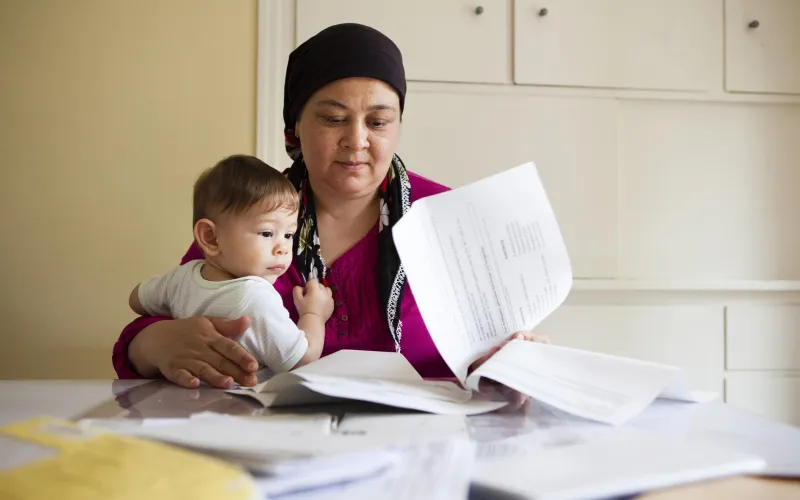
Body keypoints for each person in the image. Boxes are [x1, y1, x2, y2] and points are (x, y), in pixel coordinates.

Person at [112, 23, 547, 391]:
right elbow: (159, 317)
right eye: (334, 119)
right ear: (294, 128)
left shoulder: (450, 217)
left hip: (422, 442)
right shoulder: (248, 210)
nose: (356, 141)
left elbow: (492, 348)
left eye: (378, 122)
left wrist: (507, 364)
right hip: (274, 443)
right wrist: (155, 344)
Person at [128, 154, 334, 374]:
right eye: (267, 233)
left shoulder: (180, 278)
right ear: (211, 238)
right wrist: (313, 314)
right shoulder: (256, 297)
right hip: (249, 396)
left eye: (289, 235)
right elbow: (303, 359)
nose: (283, 248)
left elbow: (136, 299)